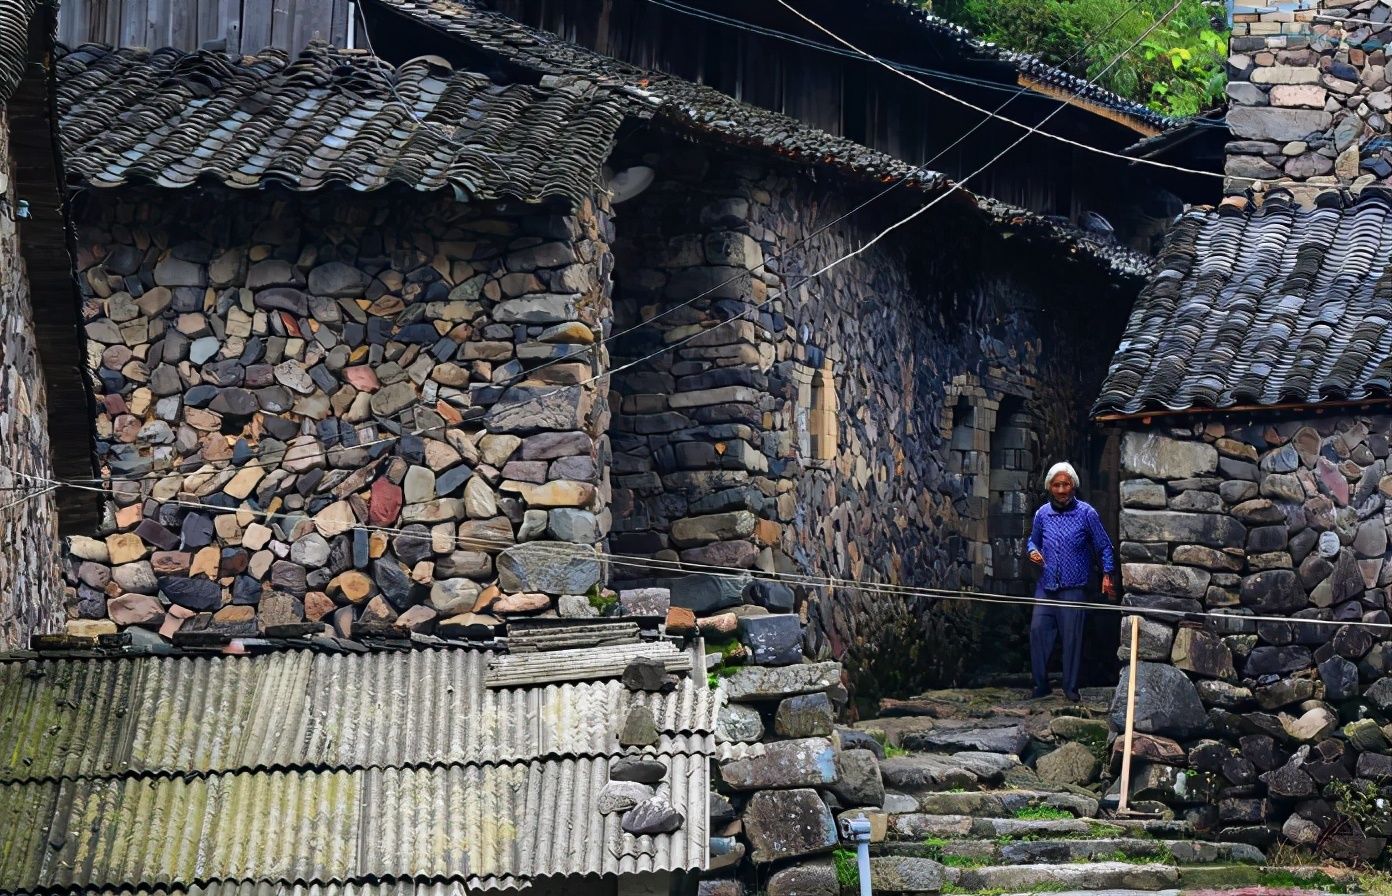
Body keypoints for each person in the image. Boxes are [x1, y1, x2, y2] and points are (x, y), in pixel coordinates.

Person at [1027, 461, 1117, 702]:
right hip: (1046, 586)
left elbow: (1104, 546)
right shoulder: (1042, 514)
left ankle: (1070, 687)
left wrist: (1107, 574)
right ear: (1050, 487)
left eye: (1066, 484)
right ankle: (1040, 684)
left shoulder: (1087, 513)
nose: (1061, 489)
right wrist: (1032, 551)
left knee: (1072, 637)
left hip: (1074, 587)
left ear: (1073, 486)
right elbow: (1032, 541)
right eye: (1056, 485)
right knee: (1038, 631)